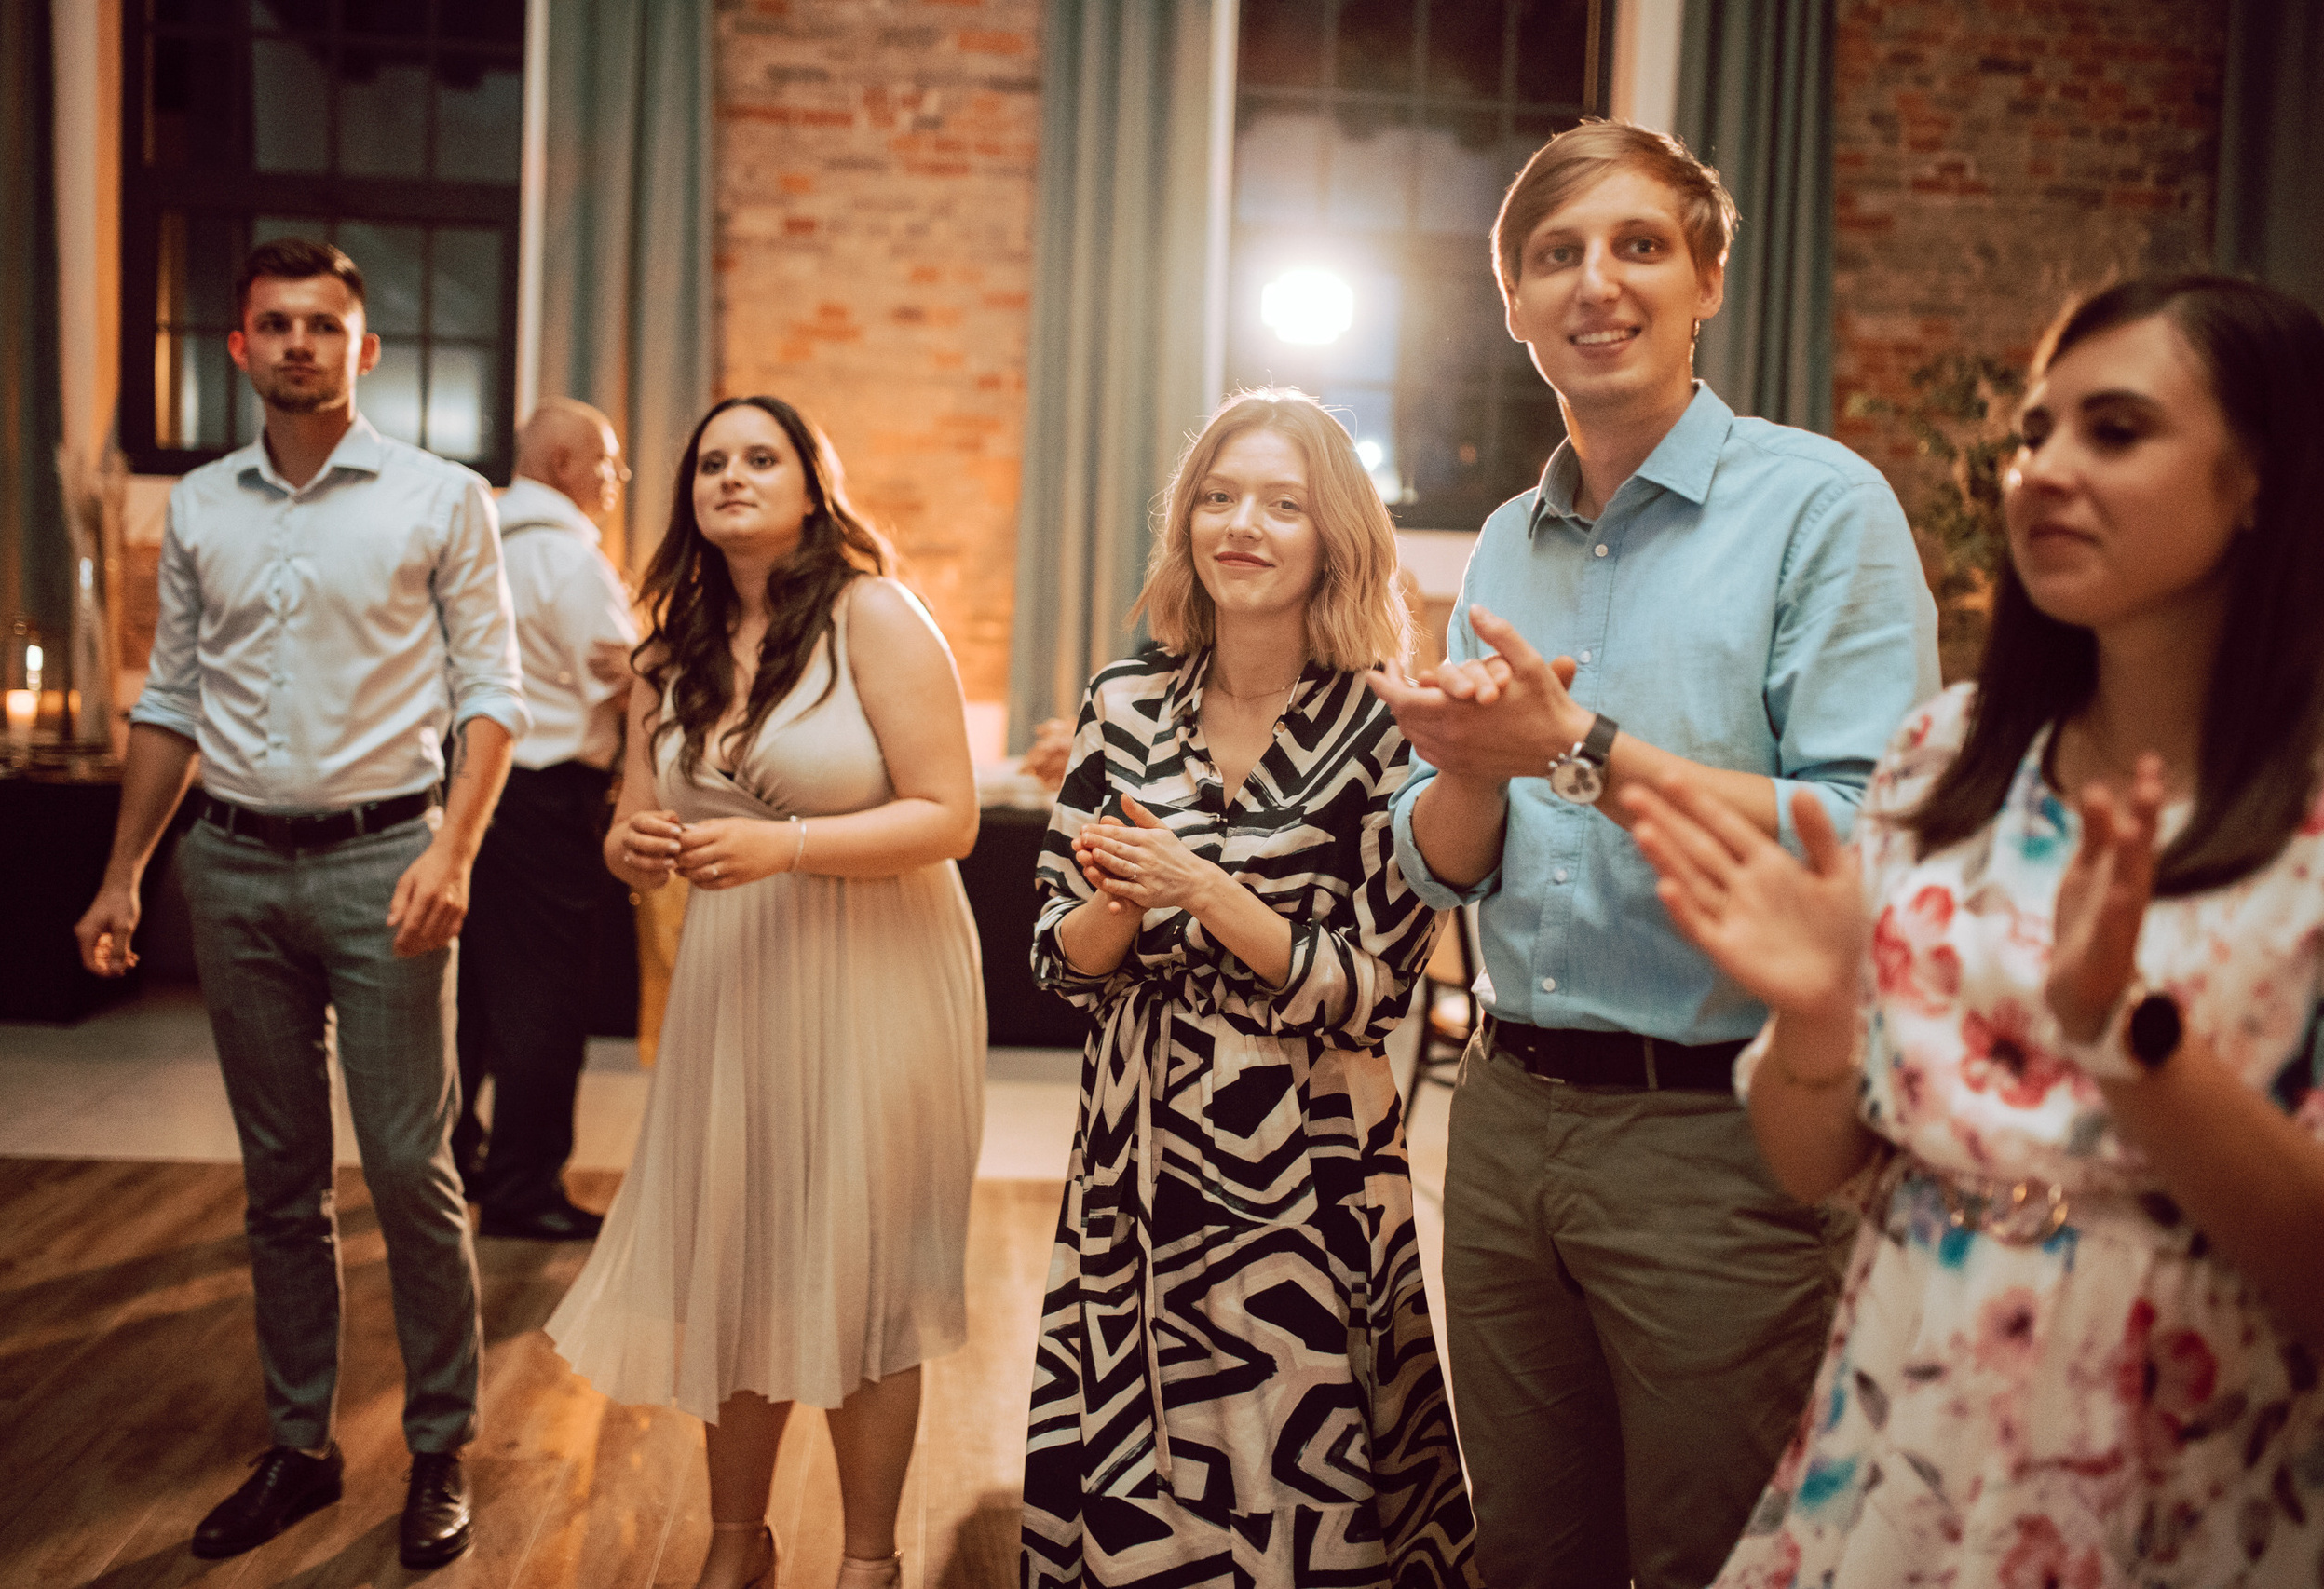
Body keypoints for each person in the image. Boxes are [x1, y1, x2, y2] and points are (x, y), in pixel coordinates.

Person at [1625, 275, 2324, 1587]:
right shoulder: (1946, 757)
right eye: (2033, 434)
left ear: (2264, 482)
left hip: (2178, 1460)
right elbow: (1812, 1163)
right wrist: (1820, 1018)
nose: (2043, 470)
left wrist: (2127, 1037)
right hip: (1899, 1433)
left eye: (2113, 432)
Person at [1364, 120, 1941, 1588]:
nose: (1594, 283)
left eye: (1636, 246)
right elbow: (1446, 862)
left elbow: (1871, 829)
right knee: (1533, 1549)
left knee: (1712, 1552)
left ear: (1707, 281)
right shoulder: (1502, 541)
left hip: (1721, 1139)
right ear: (1511, 305)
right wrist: (1460, 770)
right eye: (1554, 255)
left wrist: (1584, 749)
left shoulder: (1823, 508)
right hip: (1501, 1120)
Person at [73, 238, 525, 1569]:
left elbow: (491, 692)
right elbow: (170, 700)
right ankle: (299, 1445)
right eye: (274, 323)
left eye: (323, 325)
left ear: (363, 349)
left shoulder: (441, 498)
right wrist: (122, 872)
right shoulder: (203, 505)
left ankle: (441, 1443)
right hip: (228, 865)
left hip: (385, 862)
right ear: (239, 345)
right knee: (278, 1181)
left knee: (405, 1166)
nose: (299, 344)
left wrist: (452, 856)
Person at [1022, 388, 1476, 1588]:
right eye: (1217, 498)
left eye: (1282, 503)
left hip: (1308, 1151)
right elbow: (1050, 956)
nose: (1242, 525)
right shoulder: (1121, 703)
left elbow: (1374, 990)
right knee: (1141, 1444)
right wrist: (1116, 907)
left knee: (1303, 1457)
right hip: (1138, 1136)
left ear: (1335, 534)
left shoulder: (1388, 727)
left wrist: (1202, 889)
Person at [544, 395, 984, 1589]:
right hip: (735, 981)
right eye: (710, 463)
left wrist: (786, 847)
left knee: (870, 1261)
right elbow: (635, 813)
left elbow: (949, 816)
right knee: (732, 1254)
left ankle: (869, 1558)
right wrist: (631, 848)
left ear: (810, 484)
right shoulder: (668, 649)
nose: (731, 475)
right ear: (689, 496)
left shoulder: (873, 615)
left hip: (879, 972)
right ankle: (737, 1544)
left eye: (761, 456)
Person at [452, 395, 640, 1241]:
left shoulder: (475, 539)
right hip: (547, 795)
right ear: (563, 465)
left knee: (469, 997)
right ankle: (525, 1189)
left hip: (466, 790)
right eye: (606, 463)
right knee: (544, 998)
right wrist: (659, 661)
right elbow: (618, 679)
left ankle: (454, 1161)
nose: (616, 480)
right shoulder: (570, 561)